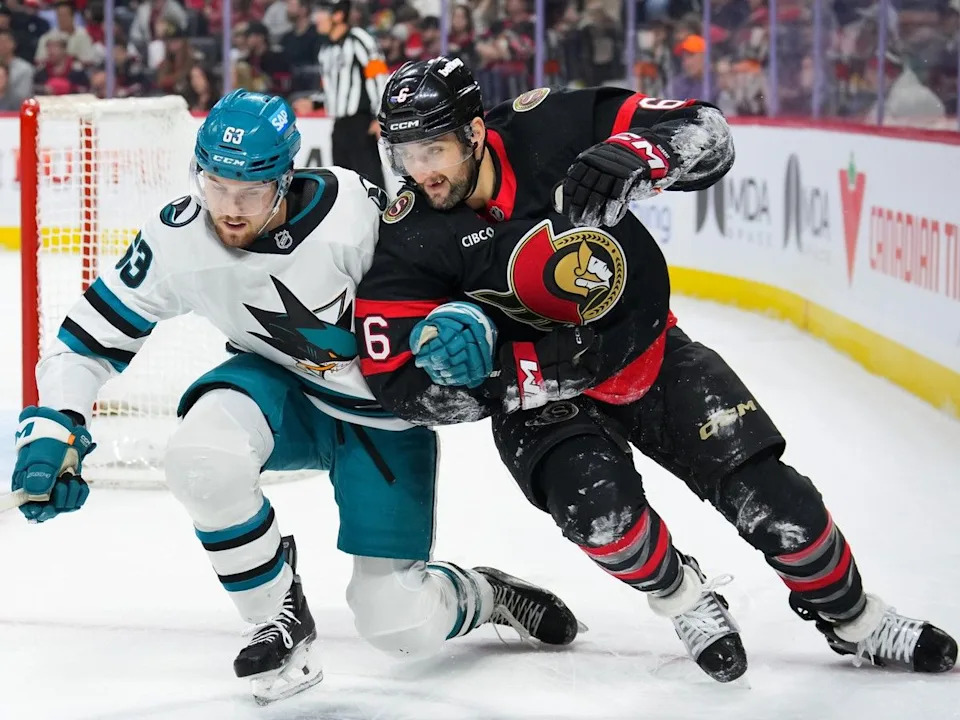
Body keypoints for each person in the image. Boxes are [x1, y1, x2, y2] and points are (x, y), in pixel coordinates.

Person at [355, 56, 958, 682]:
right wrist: (516, 375)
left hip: (645, 349)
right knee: (605, 523)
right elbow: (397, 383)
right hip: (536, 399)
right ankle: (685, 599)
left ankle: (854, 619)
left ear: (476, 133)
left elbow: (708, 132)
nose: (420, 171)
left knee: (785, 507)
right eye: (405, 152)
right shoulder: (407, 233)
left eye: (434, 148)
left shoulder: (549, 126)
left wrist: (646, 154)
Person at [10, 89, 581, 705]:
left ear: (286, 179)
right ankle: (274, 616)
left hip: (380, 416)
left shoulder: (355, 217)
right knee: (201, 460)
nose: (229, 210)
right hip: (279, 386)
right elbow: (85, 339)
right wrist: (54, 426)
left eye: (251, 192)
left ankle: (484, 593)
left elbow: (445, 282)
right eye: (215, 185)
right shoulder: (176, 238)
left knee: (398, 625)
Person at [316, 0, 388, 187]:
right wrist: (314, 103)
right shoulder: (325, 49)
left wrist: (380, 116)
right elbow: (330, 89)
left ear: (338, 15)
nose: (316, 18)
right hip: (339, 125)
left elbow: (378, 76)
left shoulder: (359, 40)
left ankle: (380, 217)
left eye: (321, 12)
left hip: (361, 123)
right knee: (342, 184)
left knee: (371, 182)